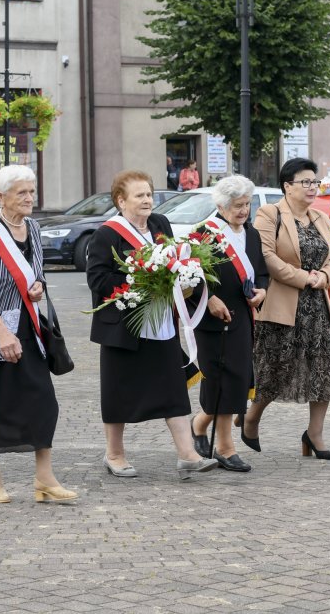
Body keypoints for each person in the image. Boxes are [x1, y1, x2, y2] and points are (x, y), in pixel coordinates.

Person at [0, 164, 78, 504]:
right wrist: (2, 334)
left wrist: (38, 288)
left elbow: (35, 276)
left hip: (26, 322)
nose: (29, 197)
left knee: (42, 400)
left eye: (31, 191)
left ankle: (44, 479)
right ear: (0, 197)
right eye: (21, 192)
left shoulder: (34, 227)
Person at [86, 169, 217, 480]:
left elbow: (172, 260)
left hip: (162, 324)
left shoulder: (160, 223)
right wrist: (141, 279)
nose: (147, 200)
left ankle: (187, 454)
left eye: (149, 194)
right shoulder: (106, 234)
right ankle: (114, 454)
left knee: (173, 388)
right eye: (139, 195)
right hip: (125, 326)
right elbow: (98, 279)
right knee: (118, 392)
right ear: (121, 201)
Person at [243, 157, 330, 458]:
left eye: (316, 182)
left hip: (318, 309)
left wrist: (323, 277)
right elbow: (266, 258)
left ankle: (314, 434)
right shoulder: (269, 214)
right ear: (287, 186)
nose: (313, 187)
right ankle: (250, 419)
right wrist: (304, 278)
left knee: (323, 370)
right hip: (282, 306)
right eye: (306, 182)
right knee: (274, 371)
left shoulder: (321, 219)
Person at [188, 175, 268, 473]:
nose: (243, 210)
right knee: (220, 380)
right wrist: (208, 299)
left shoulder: (253, 234)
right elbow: (188, 278)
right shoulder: (203, 235)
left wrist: (262, 291)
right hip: (212, 320)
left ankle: (199, 425)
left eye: (247, 204)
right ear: (222, 205)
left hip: (242, 317)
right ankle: (224, 447)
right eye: (237, 205)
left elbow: (261, 273)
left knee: (236, 379)